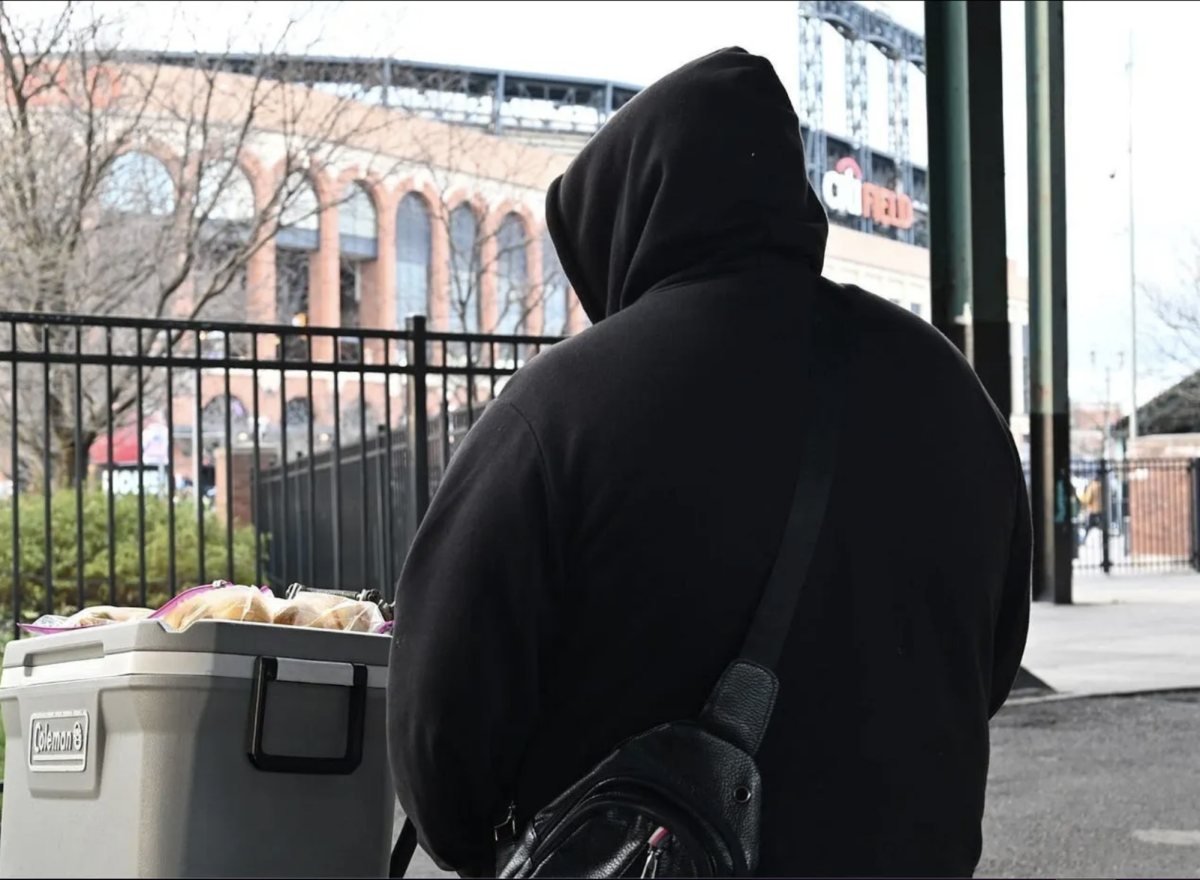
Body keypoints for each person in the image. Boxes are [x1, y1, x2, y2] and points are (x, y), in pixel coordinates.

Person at [388, 47, 1031, 879]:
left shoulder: (558, 412)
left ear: (623, 215)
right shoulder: (952, 393)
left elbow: (441, 757)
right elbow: (992, 664)